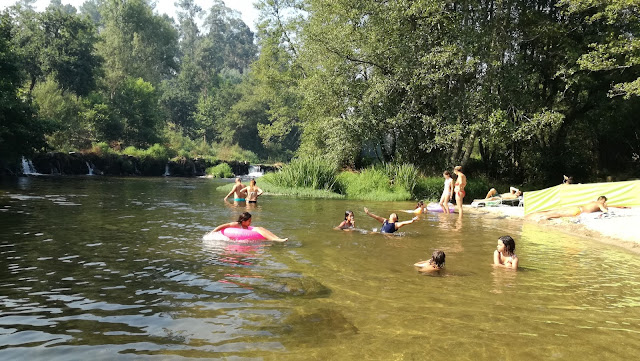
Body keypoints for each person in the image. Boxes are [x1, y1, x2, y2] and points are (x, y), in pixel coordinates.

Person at [212, 212, 287, 242]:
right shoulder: (237, 224)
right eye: (249, 221)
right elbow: (224, 226)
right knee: (258, 229)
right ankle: (274, 240)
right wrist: (213, 232)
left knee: (260, 228)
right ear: (243, 221)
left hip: (249, 233)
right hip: (238, 238)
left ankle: (277, 238)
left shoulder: (247, 226)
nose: (250, 222)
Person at [525, 196, 608, 221]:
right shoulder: (600, 204)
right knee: (558, 214)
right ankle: (541, 218)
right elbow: (605, 211)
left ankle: (533, 215)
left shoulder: (592, 202)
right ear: (603, 200)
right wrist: (605, 207)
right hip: (578, 211)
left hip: (577, 207)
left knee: (556, 211)